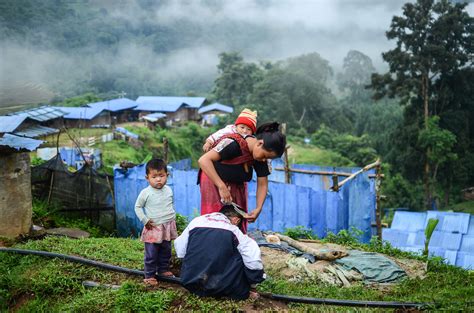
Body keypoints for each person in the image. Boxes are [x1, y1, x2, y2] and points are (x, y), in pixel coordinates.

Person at [198, 122, 286, 233]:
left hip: (236, 184)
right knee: (215, 220)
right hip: (213, 180)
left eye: (268, 158)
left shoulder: (260, 156)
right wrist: (221, 186)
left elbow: (263, 183)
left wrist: (258, 208)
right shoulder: (231, 143)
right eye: (264, 156)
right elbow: (203, 160)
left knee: (236, 220)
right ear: (259, 143)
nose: (264, 160)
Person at [174, 204, 265, 300]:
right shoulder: (234, 230)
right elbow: (253, 261)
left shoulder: (196, 222)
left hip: (191, 284)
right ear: (236, 220)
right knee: (243, 253)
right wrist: (253, 283)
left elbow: (180, 249)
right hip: (225, 288)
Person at [134, 159, 177, 286]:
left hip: (167, 225)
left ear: (167, 176)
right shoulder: (145, 193)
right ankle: (149, 275)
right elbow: (137, 207)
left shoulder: (169, 190)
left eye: (161, 176)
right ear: (147, 178)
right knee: (151, 253)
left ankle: (163, 270)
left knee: (166, 250)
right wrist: (145, 220)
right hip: (153, 227)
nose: (158, 179)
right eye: (154, 177)